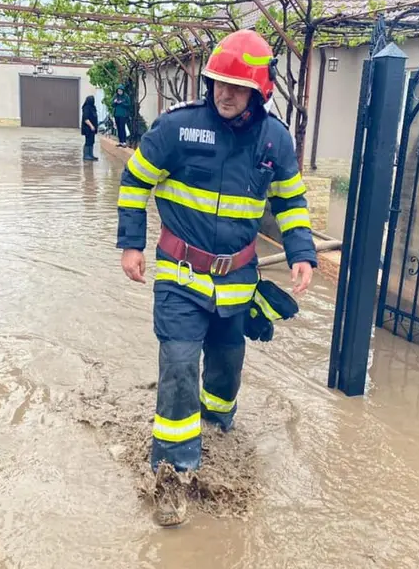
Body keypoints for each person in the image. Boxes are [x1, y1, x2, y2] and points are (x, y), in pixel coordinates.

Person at [115, 29, 317, 526]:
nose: (223, 93)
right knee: (179, 364)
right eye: (217, 83)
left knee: (225, 369)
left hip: (238, 283)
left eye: (235, 85)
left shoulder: (275, 141)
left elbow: (290, 202)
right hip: (181, 279)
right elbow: (135, 180)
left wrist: (302, 254)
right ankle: (173, 470)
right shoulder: (177, 129)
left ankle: (218, 424)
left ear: (260, 90)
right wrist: (130, 244)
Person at [81, 95, 99, 161]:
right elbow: (86, 119)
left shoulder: (93, 107)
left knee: (92, 141)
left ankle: (91, 155)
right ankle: (86, 155)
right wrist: (91, 126)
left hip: (92, 128)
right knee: (88, 141)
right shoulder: (86, 108)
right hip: (88, 128)